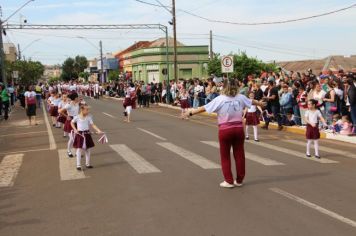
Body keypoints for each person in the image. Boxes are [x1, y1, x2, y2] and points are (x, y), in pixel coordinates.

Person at [184, 79, 265, 188]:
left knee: (225, 156)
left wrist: (190, 113)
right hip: (238, 129)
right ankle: (239, 180)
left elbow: (204, 108)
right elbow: (252, 101)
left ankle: (229, 181)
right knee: (239, 154)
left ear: (224, 87)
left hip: (225, 130)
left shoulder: (220, 99)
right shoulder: (241, 97)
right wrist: (260, 103)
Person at [71, 104, 102, 170]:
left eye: (88, 110)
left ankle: (87, 164)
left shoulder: (88, 117)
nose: (88, 111)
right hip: (80, 134)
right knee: (79, 150)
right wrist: (75, 129)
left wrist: (98, 130)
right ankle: (78, 165)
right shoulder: (77, 117)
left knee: (88, 150)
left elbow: (93, 125)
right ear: (82, 110)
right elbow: (72, 122)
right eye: (86, 110)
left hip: (87, 134)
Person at [60, 93, 80, 158]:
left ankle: (77, 152)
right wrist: (66, 116)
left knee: (75, 137)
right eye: (77, 97)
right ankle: (69, 151)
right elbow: (60, 111)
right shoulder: (68, 105)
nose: (78, 98)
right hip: (70, 121)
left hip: (76, 121)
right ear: (75, 98)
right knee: (72, 138)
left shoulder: (77, 103)